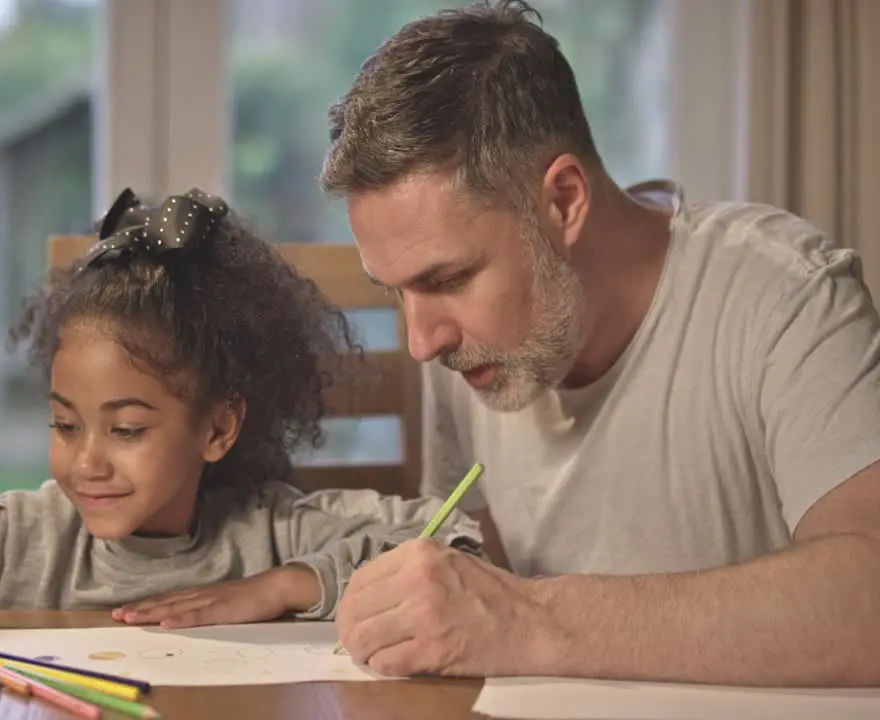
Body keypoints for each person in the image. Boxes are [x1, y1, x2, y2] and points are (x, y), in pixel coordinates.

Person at [321, 0, 880, 687]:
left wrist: (532, 620)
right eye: (394, 290)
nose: (420, 340)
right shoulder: (462, 349)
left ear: (563, 201)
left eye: (448, 278)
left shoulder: (783, 294)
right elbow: (476, 575)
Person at [0, 187, 483, 641]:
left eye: (127, 429)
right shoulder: (18, 543)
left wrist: (282, 586)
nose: (87, 462)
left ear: (217, 427)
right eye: (65, 424)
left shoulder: (271, 533)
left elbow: (453, 541)